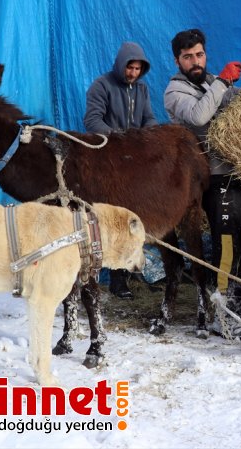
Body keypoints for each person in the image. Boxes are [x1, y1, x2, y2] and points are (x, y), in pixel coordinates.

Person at [163, 28, 241, 327]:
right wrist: (222, 82)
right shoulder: (175, 93)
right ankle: (222, 310)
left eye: (200, 55)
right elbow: (198, 116)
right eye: (188, 57)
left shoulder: (211, 82)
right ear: (177, 61)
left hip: (237, 172)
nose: (196, 61)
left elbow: (237, 106)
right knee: (227, 244)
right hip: (212, 178)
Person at [84, 41, 157, 299]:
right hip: (108, 162)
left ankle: (133, 270)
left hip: (133, 163)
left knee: (135, 217)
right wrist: (120, 138)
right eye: (130, 67)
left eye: (138, 69)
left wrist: (150, 136)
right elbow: (92, 120)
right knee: (114, 220)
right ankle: (114, 280)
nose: (133, 73)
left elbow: (149, 118)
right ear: (120, 64)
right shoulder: (102, 85)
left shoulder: (142, 89)